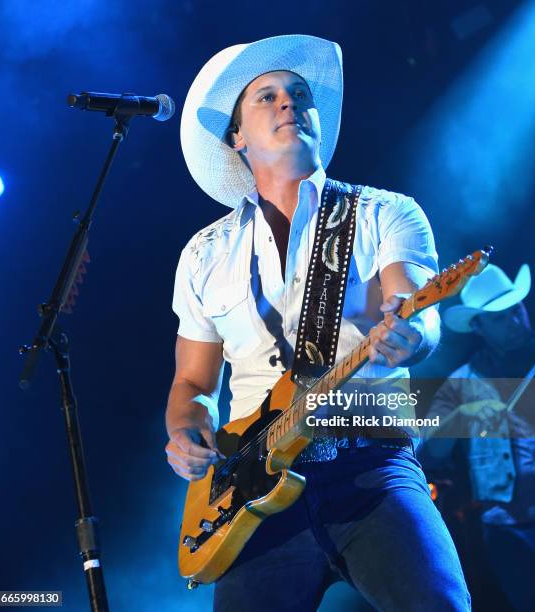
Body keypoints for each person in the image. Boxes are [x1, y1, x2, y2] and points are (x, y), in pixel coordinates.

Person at [165, 35, 470, 611]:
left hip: (370, 470)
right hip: (251, 495)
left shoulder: (386, 213)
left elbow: (417, 316)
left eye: (299, 95)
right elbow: (192, 386)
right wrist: (185, 433)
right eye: (267, 97)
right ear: (237, 138)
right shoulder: (204, 253)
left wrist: (410, 337)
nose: (288, 103)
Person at [420, 263, 535, 612]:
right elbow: (430, 452)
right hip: (506, 529)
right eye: (500, 318)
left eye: (516, 310)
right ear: (479, 327)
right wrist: (462, 416)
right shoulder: (461, 382)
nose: (516, 322)